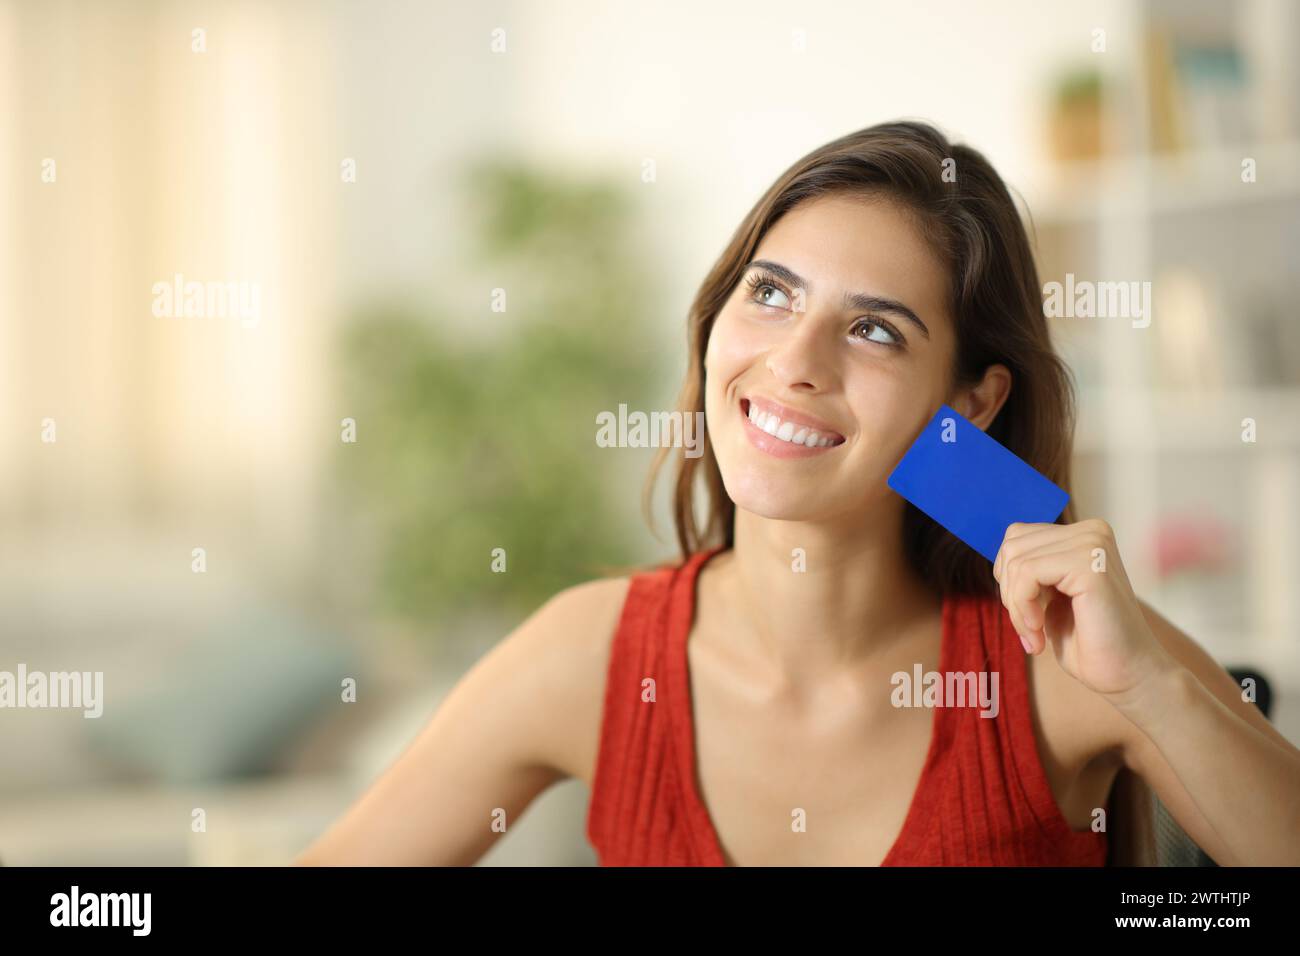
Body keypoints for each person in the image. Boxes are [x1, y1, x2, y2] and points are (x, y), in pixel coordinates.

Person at [295, 120, 1300, 866]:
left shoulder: (1069, 656)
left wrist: (1154, 695)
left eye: (874, 329)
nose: (793, 362)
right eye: (769, 293)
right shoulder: (591, 656)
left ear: (972, 402)